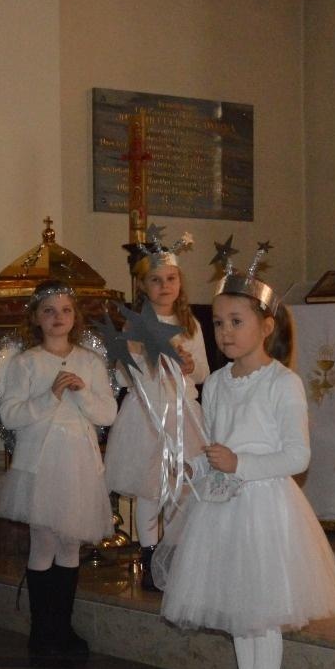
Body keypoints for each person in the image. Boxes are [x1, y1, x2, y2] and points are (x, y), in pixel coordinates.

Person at [157, 254, 335, 669]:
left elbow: (297, 455)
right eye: (218, 322)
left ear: (266, 326)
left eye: (236, 322)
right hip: (224, 508)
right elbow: (216, 441)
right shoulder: (218, 383)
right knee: (240, 617)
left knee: (261, 617)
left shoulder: (282, 383)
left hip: (265, 508)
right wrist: (199, 464)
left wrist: (240, 463)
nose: (225, 332)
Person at [0, 279, 118, 657]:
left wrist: (81, 392)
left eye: (65, 310)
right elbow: (10, 414)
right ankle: (42, 631)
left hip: (78, 463)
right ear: (35, 317)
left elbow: (108, 413)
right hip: (40, 464)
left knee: (69, 542)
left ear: (75, 316)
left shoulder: (91, 362)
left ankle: (63, 629)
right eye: (48, 311)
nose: (57, 317)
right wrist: (51, 396)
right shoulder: (26, 363)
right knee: (44, 540)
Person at [105, 229, 209, 592]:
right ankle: (149, 558)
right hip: (147, 416)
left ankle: (176, 555)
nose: (165, 286)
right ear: (143, 287)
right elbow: (125, 375)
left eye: (171, 278)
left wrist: (188, 364)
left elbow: (204, 372)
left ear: (180, 281)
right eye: (156, 280)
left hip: (183, 413)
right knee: (151, 490)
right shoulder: (135, 325)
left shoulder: (192, 324)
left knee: (181, 489)